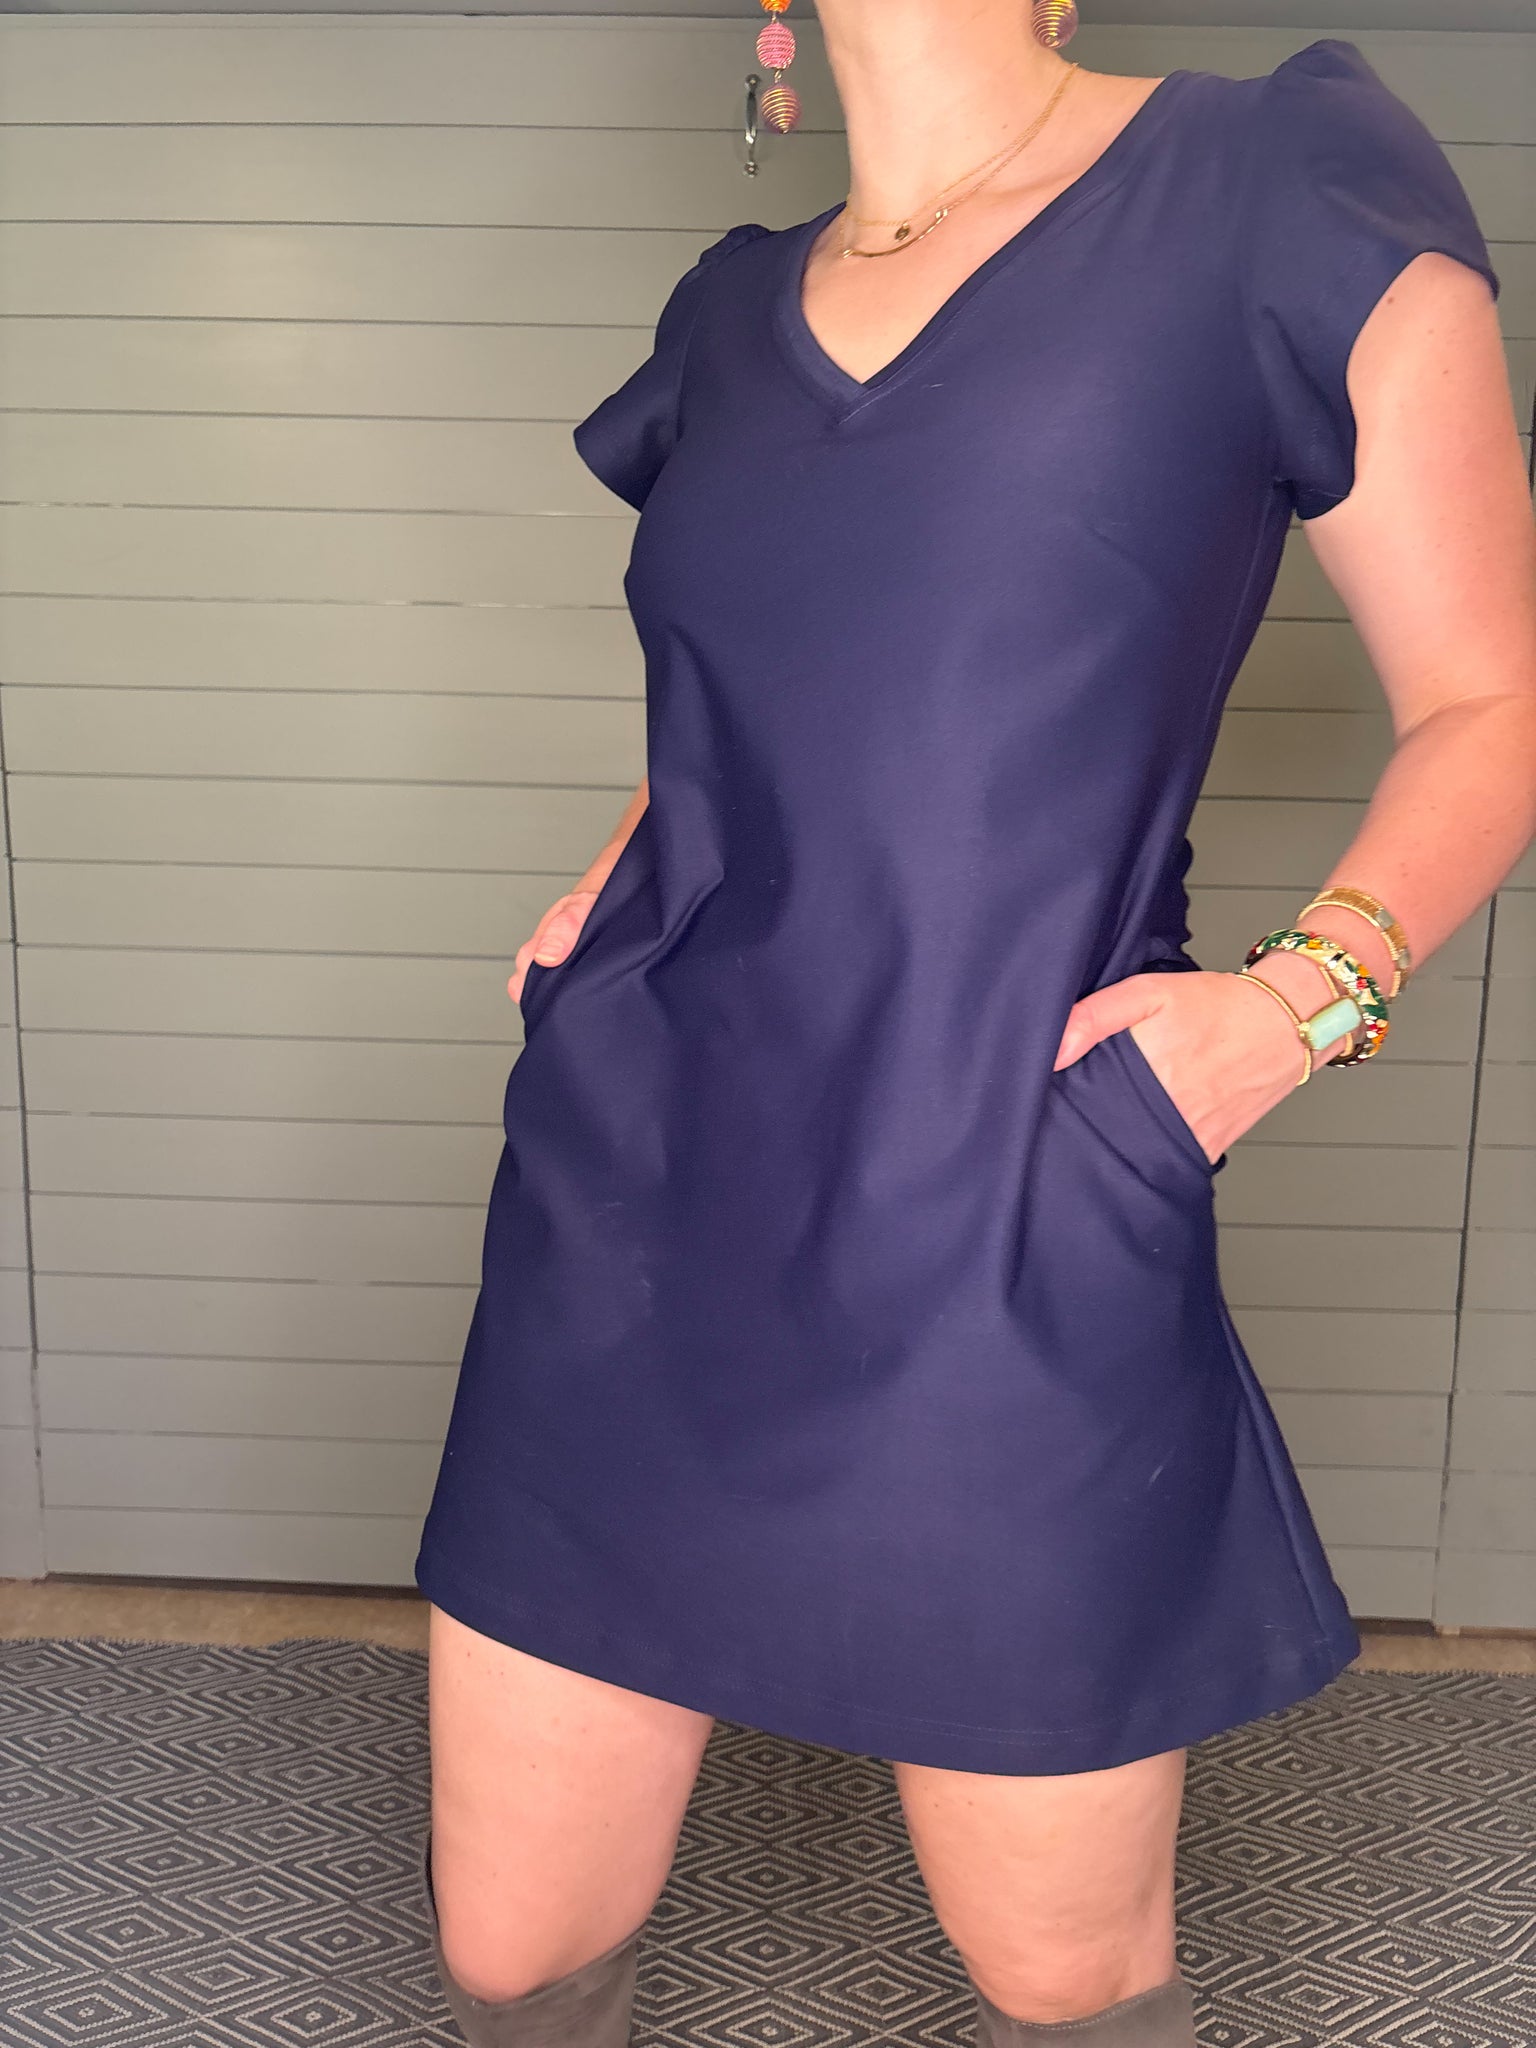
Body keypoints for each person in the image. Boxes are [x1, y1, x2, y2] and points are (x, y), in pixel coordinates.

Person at [412, 6, 1536, 2043]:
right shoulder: (731, 311)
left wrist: (1299, 1006)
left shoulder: (1272, 185)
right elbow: (781, 680)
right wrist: (626, 860)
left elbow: (1490, 697)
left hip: (1002, 1178)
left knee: (1060, 1970)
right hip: (643, 1177)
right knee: (511, 1948)